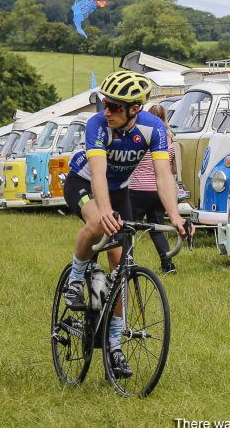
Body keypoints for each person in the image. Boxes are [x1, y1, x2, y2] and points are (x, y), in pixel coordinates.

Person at [62, 71, 187, 379]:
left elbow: (163, 175)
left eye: (115, 106)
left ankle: (114, 348)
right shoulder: (97, 125)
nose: (107, 111)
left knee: (119, 267)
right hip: (83, 182)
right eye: (105, 104)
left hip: (119, 191)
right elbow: (99, 173)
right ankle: (75, 279)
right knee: (98, 223)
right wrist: (104, 211)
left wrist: (174, 215)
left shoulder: (153, 128)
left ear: (134, 108)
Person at [128, 104, 179, 274]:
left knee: (129, 228)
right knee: (157, 229)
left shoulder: (141, 137)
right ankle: (167, 264)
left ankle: (126, 261)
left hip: (137, 190)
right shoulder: (169, 141)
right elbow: (172, 170)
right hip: (159, 192)